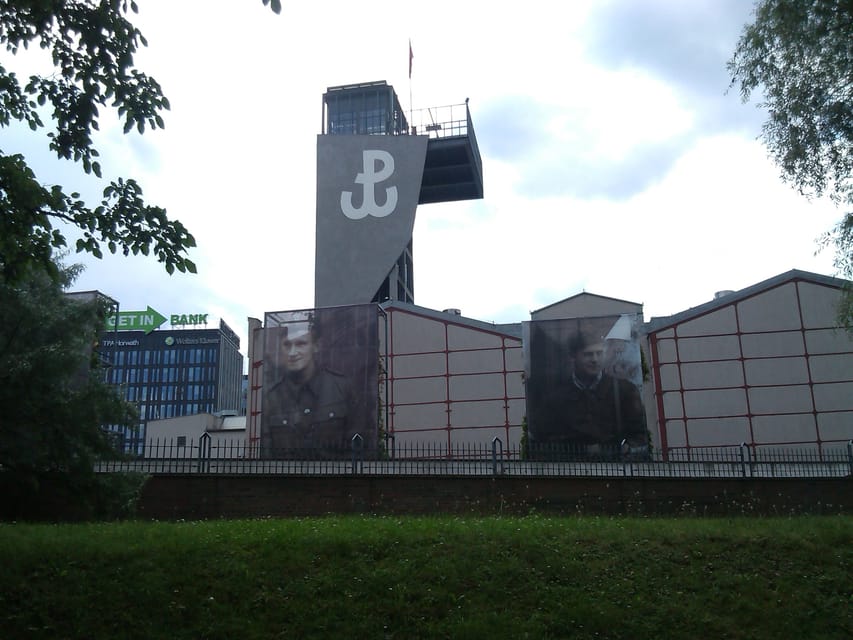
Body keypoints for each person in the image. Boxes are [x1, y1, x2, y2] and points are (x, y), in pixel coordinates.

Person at [534, 330, 648, 458]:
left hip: (616, 467)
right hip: (570, 469)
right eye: (588, 354)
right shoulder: (555, 398)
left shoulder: (625, 390)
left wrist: (622, 449)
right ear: (573, 357)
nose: (595, 359)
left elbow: (639, 435)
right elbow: (544, 439)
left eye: (599, 353)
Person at [261, 319, 358, 458]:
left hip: (334, 477)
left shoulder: (342, 388)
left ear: (316, 346)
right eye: (287, 345)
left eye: (301, 344)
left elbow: (357, 445)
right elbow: (267, 452)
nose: (293, 353)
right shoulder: (272, 397)